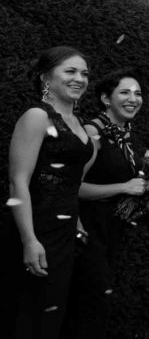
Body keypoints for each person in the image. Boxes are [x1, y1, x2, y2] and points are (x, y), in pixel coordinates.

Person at [3, 47, 95, 339]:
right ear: (46, 77)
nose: (79, 78)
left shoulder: (79, 123)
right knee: (32, 316)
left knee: (59, 316)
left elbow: (72, 182)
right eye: (70, 71)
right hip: (37, 228)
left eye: (84, 73)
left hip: (67, 233)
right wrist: (29, 240)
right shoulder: (36, 116)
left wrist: (78, 225)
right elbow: (18, 182)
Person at [62, 69, 149, 338]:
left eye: (137, 93)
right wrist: (124, 187)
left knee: (101, 305)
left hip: (113, 231)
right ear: (105, 98)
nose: (133, 99)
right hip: (87, 230)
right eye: (124, 92)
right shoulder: (93, 132)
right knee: (90, 307)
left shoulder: (124, 136)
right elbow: (72, 187)